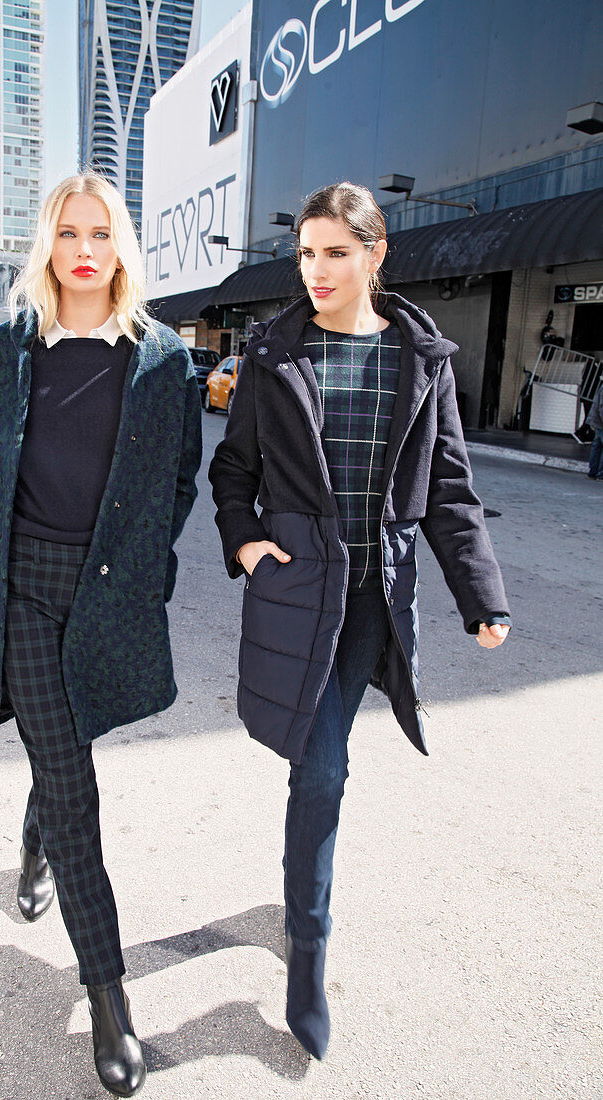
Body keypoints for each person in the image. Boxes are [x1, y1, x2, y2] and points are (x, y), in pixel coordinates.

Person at [0, 171, 202, 1097]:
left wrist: (144, 569)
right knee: (76, 789)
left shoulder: (162, 360)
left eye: (102, 233)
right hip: (14, 589)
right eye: (70, 233)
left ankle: (34, 840)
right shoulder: (2, 351)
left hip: (102, 595)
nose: (86, 250)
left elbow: (176, 483)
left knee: (63, 749)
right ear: (48, 247)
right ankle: (108, 993)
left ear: (121, 247)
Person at [208, 182, 510, 1061]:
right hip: (300, 591)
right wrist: (250, 545)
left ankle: (301, 924)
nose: (317, 270)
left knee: (324, 772)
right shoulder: (272, 354)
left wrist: (480, 597)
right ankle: (307, 950)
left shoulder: (421, 359)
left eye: (336, 251)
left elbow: (449, 490)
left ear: (376, 255)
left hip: (375, 596)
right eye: (305, 253)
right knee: (324, 772)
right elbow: (233, 474)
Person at [585, 379, 603, 479]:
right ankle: (600, 474)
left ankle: (593, 472)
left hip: (597, 421)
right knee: (598, 447)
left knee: (596, 447)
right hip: (600, 422)